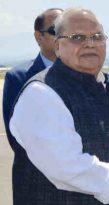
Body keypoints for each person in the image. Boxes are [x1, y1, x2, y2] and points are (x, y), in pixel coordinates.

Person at [9, 7, 109, 205]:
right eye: (77, 37)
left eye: (97, 36)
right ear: (57, 46)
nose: (89, 44)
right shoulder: (41, 94)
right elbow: (68, 167)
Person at [1, 8, 63, 204]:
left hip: (80, 180)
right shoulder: (18, 77)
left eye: (65, 30)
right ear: (39, 36)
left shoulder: (84, 74)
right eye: (55, 30)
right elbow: (15, 136)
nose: (62, 36)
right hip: (34, 178)